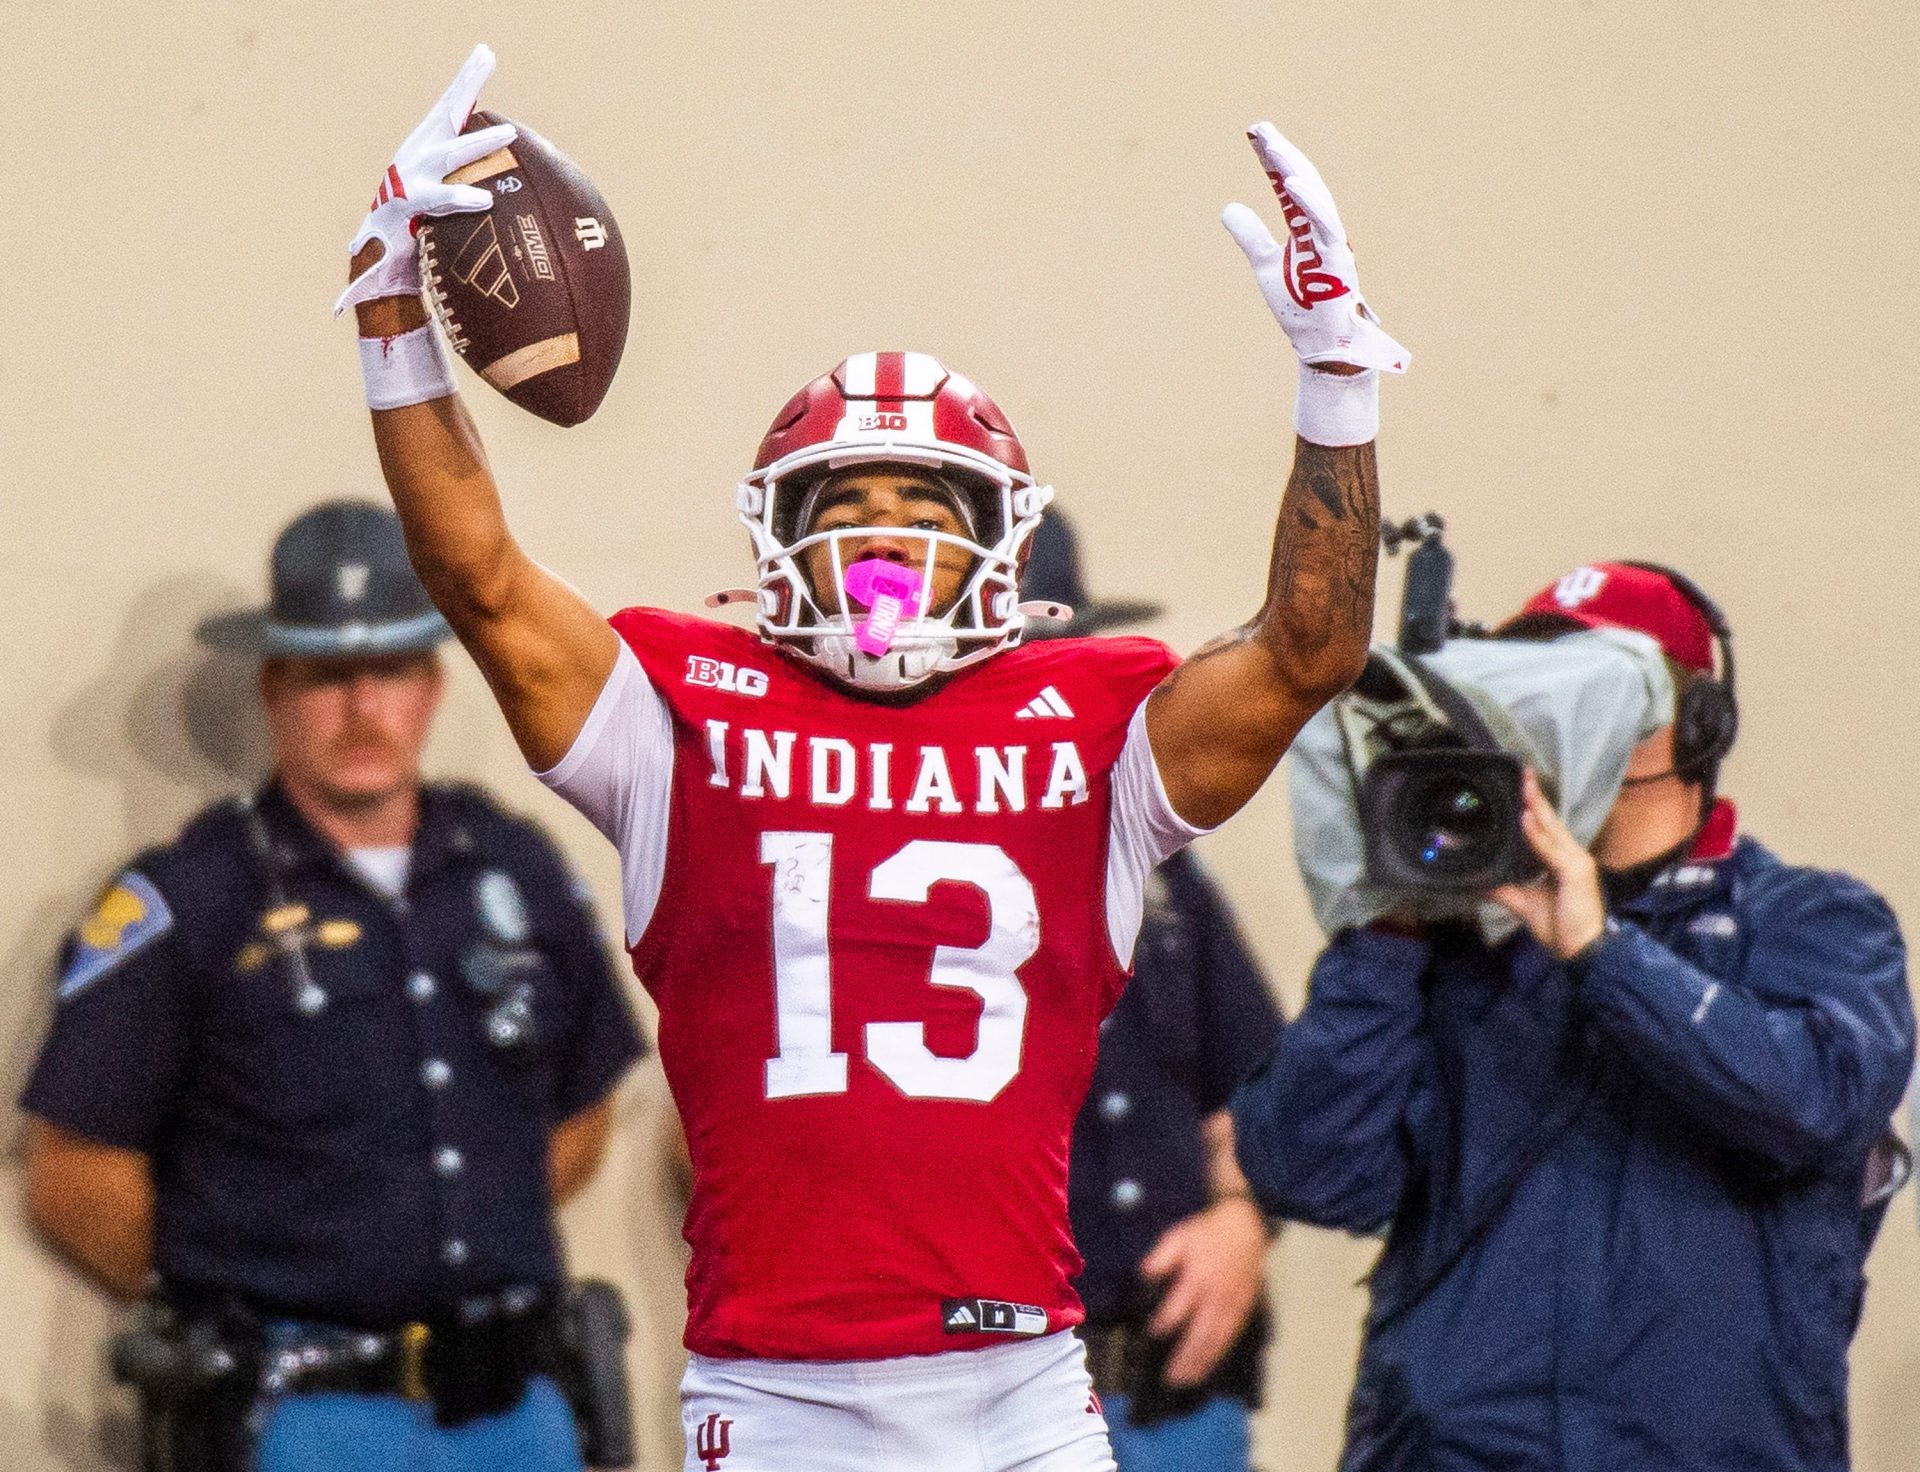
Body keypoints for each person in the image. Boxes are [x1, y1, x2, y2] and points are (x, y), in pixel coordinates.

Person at [338, 46, 1405, 1472]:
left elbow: (1306, 656)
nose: (890, 535)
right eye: (852, 503)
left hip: (1022, 1385)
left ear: (1001, 542)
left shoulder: (1093, 725)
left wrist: (1337, 382)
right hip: (779, 1397)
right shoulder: (681, 710)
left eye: (928, 505)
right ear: (780, 532)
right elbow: (476, 580)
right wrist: (389, 317)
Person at [1231, 560, 1915, 1472]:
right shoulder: (1460, 936)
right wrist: (1387, 928)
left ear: (1693, 724)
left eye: (1591, 686)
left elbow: (1811, 1104)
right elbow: (1310, 1176)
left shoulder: (1816, 922)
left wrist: (1605, 953)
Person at [18, 500, 647, 1472]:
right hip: (307, 1416)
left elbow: (581, 1109)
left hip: (519, 1407)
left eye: (390, 668)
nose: (363, 705)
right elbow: (76, 1170)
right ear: (274, 687)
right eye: (326, 674)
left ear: (433, 685)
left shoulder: (513, 867)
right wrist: (233, 1282)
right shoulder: (190, 897)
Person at [1024, 513, 1283, 1471]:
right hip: (986, 1396)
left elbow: (1256, 1086)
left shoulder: (1161, 871)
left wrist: (1242, 1219)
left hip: (1169, 1391)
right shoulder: (880, 871)